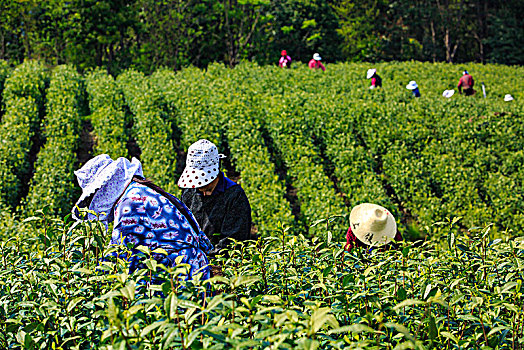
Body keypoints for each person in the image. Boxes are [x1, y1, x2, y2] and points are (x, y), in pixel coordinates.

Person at [72, 154, 213, 280]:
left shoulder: (130, 204)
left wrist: (94, 279)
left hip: (180, 274)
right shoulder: (139, 190)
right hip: (192, 267)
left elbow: (122, 254)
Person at [178, 139, 252, 254]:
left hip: (222, 263)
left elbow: (233, 242)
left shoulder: (234, 196)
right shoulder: (189, 192)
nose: (199, 186)